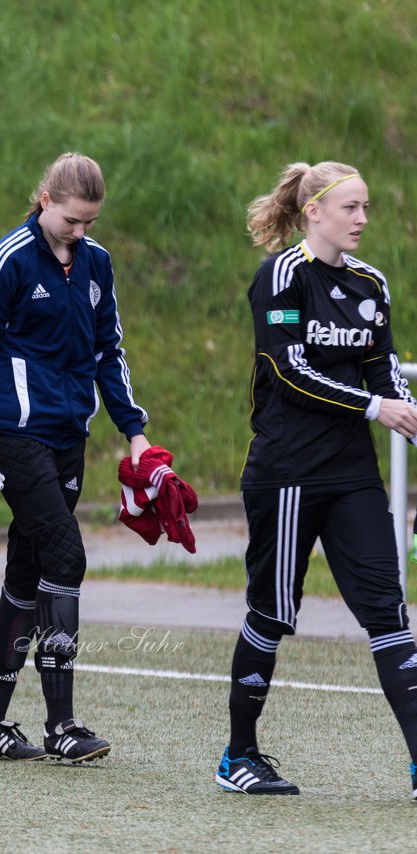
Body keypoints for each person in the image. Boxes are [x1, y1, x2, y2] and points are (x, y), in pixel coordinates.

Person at [216, 162, 417, 800]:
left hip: (352, 474)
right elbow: (288, 370)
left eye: (366, 208)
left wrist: (402, 406)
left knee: (388, 612)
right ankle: (238, 757)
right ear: (314, 213)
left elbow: (384, 371)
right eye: (351, 207)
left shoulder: (371, 284)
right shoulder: (281, 276)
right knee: (272, 614)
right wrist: (372, 407)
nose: (361, 219)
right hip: (286, 473)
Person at [0, 152, 151, 764]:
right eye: (70, 220)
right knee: (65, 552)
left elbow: (108, 352)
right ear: (45, 200)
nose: (79, 232)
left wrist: (134, 431)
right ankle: (62, 726)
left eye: (89, 222)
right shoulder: (9, 258)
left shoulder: (96, 265)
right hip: (12, 433)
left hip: (69, 435)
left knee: (26, 571)